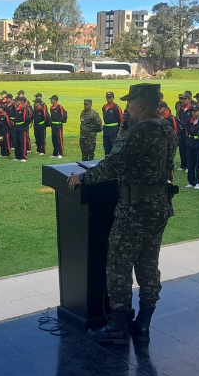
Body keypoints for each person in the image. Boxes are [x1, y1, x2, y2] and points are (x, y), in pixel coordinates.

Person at [66, 83, 177, 344]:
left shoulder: (136, 133)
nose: (126, 107)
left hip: (134, 210)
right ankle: (144, 324)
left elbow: (112, 164)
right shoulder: (168, 129)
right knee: (149, 265)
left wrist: (83, 177)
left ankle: (118, 325)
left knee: (119, 265)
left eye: (129, 103)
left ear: (140, 104)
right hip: (159, 206)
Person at [184, 105, 199, 189]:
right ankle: (191, 181)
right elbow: (187, 132)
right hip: (190, 143)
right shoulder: (189, 121)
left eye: (195, 111)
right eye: (192, 111)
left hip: (198, 144)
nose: (193, 113)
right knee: (190, 164)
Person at [13, 97, 32, 162]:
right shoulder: (17, 109)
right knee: (17, 142)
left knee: (22, 142)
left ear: (20, 102)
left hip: (22, 127)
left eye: (17, 101)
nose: (16, 103)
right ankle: (17, 156)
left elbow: (26, 119)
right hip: (17, 127)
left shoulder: (24, 109)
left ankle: (24, 156)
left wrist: (24, 126)